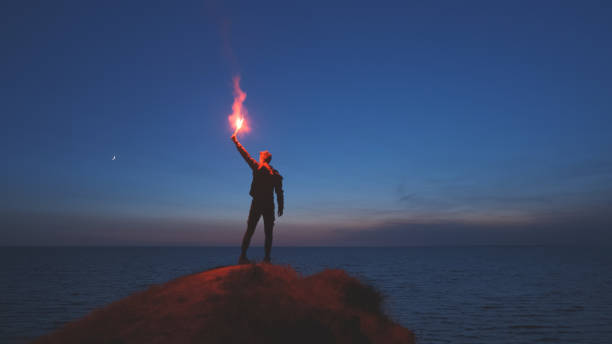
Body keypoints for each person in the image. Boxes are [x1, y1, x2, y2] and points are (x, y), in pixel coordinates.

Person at [231, 134, 284, 264]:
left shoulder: (258, 167)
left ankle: (243, 256)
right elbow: (279, 193)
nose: (259, 155)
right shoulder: (275, 174)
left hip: (258, 203)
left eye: (261, 154)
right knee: (268, 233)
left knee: (251, 230)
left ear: (264, 158)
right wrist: (281, 206)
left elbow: (245, 155)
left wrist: (236, 141)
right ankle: (266, 259)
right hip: (269, 205)